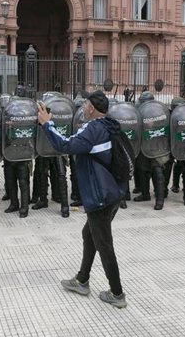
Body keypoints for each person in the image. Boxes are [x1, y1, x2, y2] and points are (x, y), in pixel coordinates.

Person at [37, 90, 128, 308]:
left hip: (100, 197)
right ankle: (82, 280)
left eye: (86, 103)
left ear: (92, 109)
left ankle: (117, 294)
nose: (84, 106)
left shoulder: (93, 128)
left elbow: (66, 145)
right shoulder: (110, 125)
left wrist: (47, 124)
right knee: (89, 234)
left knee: (104, 244)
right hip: (112, 192)